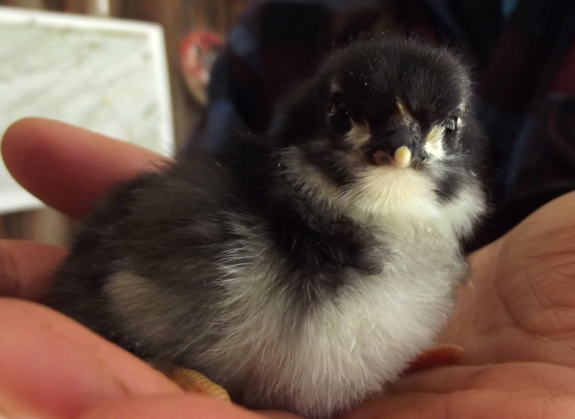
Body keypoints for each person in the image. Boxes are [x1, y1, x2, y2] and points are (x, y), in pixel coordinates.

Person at [2, 117, 575, 419]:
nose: (401, 148)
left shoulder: (437, 237)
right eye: (362, 122)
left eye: (437, 132)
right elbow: (225, 149)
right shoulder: (236, 233)